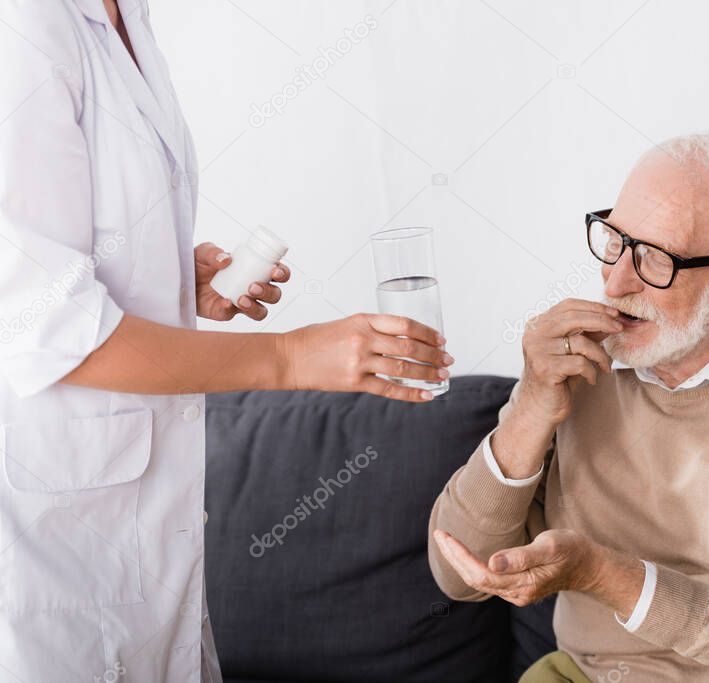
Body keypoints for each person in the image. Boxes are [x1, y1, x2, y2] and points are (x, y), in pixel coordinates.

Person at [0, 0, 451, 680]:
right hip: (52, 567)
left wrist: (170, 279)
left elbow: (55, 253)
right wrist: (288, 356)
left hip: (148, 551)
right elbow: (46, 324)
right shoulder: (25, 28)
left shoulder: (129, 19)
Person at [428, 134, 709, 682]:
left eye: (656, 259)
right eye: (616, 241)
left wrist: (603, 575)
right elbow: (458, 573)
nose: (616, 281)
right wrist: (530, 406)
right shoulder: (576, 357)